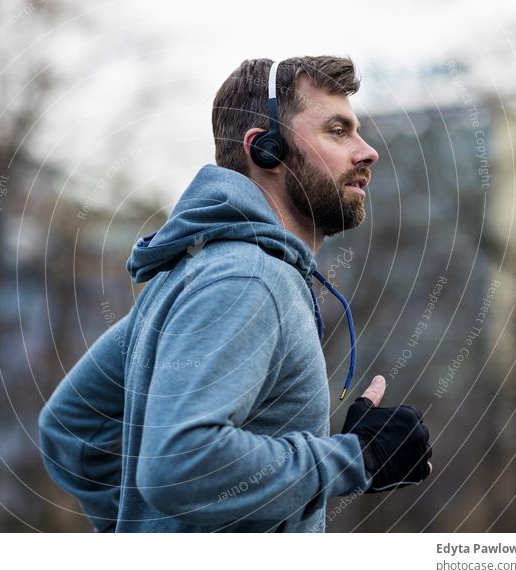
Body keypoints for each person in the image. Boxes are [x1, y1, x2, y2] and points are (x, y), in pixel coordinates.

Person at [39, 56, 432, 533]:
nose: (367, 152)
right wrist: (355, 458)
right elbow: (180, 462)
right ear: (265, 149)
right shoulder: (248, 281)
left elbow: (72, 429)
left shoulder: (198, 272)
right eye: (337, 130)